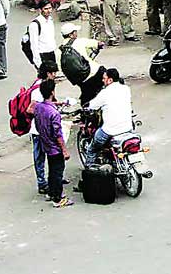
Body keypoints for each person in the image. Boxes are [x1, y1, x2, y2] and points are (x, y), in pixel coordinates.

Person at [33, 79, 73, 207]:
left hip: (46, 144)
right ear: (52, 92)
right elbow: (58, 134)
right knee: (57, 172)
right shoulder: (54, 113)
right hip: (55, 147)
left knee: (51, 170)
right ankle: (58, 198)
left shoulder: (39, 107)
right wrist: (64, 150)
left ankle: (51, 193)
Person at [85, 68, 133, 167]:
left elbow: (92, 106)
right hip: (128, 128)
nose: (103, 80)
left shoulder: (105, 93)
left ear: (110, 80)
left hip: (110, 131)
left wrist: (86, 107)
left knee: (92, 148)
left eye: (104, 78)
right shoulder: (126, 89)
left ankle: (89, 169)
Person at [28, 62, 60, 195]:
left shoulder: (48, 86)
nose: (55, 75)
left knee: (53, 156)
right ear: (48, 73)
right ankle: (42, 183)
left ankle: (54, 179)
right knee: (40, 158)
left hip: (47, 129)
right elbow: (30, 109)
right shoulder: (37, 91)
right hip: (38, 131)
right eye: (53, 73)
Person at [60, 23, 107, 106]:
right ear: (71, 35)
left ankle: (85, 112)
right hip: (93, 72)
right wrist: (100, 45)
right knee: (111, 78)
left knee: (86, 95)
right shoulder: (79, 41)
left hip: (79, 80)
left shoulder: (59, 50)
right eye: (75, 32)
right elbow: (97, 44)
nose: (76, 33)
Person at [28, 0, 57, 68]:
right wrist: (38, 62)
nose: (49, 11)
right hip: (42, 55)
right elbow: (34, 45)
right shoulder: (35, 25)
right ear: (40, 10)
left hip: (52, 53)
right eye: (46, 9)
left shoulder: (50, 20)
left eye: (50, 8)